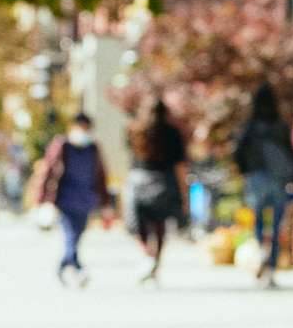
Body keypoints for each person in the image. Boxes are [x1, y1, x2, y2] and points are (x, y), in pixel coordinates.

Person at [234, 84, 293, 287]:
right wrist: (291, 179)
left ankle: (261, 252)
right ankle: (271, 269)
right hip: (278, 180)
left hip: (256, 178)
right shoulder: (281, 125)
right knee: (277, 224)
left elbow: (237, 151)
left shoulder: (250, 126)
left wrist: (246, 170)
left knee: (259, 224)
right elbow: (291, 153)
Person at [35, 113, 110, 286]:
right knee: (70, 234)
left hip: (85, 200)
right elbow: (48, 173)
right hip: (65, 199)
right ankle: (78, 270)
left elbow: (101, 175)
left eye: (87, 128)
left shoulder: (93, 149)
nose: (84, 132)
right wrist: (42, 200)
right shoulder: (61, 146)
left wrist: (105, 202)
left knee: (78, 235)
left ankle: (64, 267)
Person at [125, 100, 188, 284]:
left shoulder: (136, 130)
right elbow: (180, 165)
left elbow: (131, 158)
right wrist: (183, 192)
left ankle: (147, 256)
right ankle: (154, 263)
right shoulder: (172, 133)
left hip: (139, 180)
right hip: (165, 181)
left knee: (140, 225)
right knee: (160, 226)